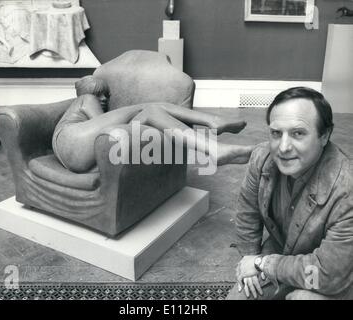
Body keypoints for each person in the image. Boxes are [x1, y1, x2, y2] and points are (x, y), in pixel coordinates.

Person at [228, 87, 353, 300]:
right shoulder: (262, 157)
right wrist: (250, 255)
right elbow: (247, 212)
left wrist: (263, 263)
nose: (283, 147)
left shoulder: (347, 190)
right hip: (285, 252)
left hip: (334, 273)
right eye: (276, 133)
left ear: (324, 135)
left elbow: (328, 275)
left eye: (298, 133)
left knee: (302, 299)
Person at [52, 75, 254, 173]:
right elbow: (101, 127)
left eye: (106, 94)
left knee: (152, 112)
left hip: (78, 156)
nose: (103, 98)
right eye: (99, 94)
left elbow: (105, 134)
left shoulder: (89, 113)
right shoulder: (85, 100)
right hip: (72, 142)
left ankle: (212, 147)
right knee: (149, 107)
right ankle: (213, 123)